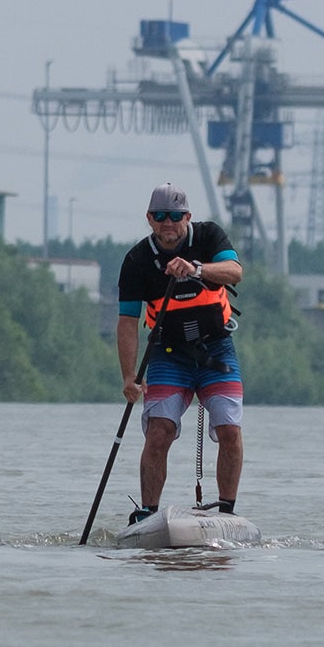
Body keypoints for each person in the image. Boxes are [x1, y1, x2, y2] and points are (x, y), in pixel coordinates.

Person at [116, 183, 245, 527]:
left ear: (187, 217)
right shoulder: (137, 261)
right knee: (159, 430)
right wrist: (129, 377)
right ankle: (148, 513)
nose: (168, 223)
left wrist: (196, 269)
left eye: (175, 216)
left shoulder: (209, 237)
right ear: (150, 220)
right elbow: (128, 321)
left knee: (229, 429)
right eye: (160, 217)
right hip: (167, 354)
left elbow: (235, 272)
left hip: (216, 348)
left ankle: (227, 512)